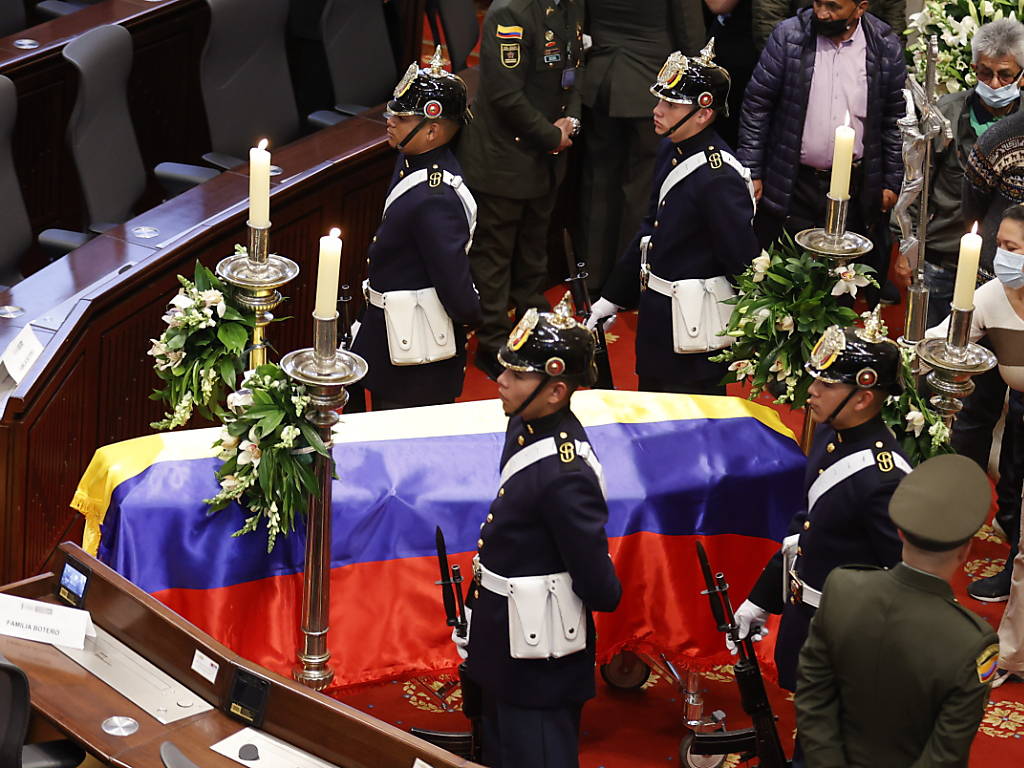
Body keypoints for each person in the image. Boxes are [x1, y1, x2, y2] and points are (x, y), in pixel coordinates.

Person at [460, 292, 622, 768]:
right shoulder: (526, 424)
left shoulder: (566, 473)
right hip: (502, 635)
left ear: (557, 390)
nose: (500, 381)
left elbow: (600, 586)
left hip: (539, 658)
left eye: (517, 375)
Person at [730, 310, 910, 692]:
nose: (812, 391)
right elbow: (806, 527)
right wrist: (762, 599)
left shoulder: (884, 478)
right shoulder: (831, 437)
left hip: (846, 640)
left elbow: (902, 578)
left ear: (862, 398)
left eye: (826, 385)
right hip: (807, 616)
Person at [796, 454, 998, 767]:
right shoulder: (972, 642)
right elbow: (945, 755)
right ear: (966, 550)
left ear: (900, 533)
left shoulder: (842, 587)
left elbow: (812, 695)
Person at [587, 43, 759, 395]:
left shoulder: (718, 176)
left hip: (696, 335)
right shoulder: (672, 148)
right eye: (660, 100)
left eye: (671, 103)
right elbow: (650, 230)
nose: (657, 110)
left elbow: (741, 261)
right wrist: (613, 297)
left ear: (703, 113)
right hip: (658, 323)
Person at [738, 0, 906, 304]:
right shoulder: (789, 36)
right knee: (781, 287)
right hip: (793, 182)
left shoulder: (884, 46)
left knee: (838, 289)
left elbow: (894, 121)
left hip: (853, 189)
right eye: (817, 3)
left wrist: (891, 181)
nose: (822, 14)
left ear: (860, 8)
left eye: (833, 6)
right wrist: (752, 169)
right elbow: (757, 104)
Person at [457, 0, 585, 380]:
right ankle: (494, 345)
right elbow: (504, 94)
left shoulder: (569, 5)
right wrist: (552, 135)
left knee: (534, 250)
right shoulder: (510, 12)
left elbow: (574, 71)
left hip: (545, 157)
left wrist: (571, 125)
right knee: (494, 257)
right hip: (503, 157)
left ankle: (533, 332)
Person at [351, 49, 482, 409]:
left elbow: (453, 281)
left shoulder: (435, 196)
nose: (390, 120)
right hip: (390, 334)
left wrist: (471, 316)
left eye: (403, 117)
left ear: (433, 130)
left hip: (416, 359)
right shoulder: (411, 160)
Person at [928, 206, 1024, 670]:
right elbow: (942, 341)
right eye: (998, 245)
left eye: (1011, 248)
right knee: (1015, 496)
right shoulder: (990, 295)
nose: (1000, 257)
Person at [896, 19, 1024, 327]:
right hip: (941, 258)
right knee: (929, 347)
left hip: (1002, 265)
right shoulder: (946, 113)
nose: (994, 83)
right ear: (973, 68)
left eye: (1005, 74)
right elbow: (916, 183)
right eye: (985, 72)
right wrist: (905, 245)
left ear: (1021, 76)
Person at [576, 0, 705, 295]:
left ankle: (591, 279)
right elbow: (691, 37)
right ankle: (627, 284)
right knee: (640, 191)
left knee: (598, 184)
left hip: (600, 81)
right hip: (652, 88)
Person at [751, 0, 906, 50]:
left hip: (863, 59)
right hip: (800, 51)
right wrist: (789, 59)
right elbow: (768, 17)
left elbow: (894, 25)